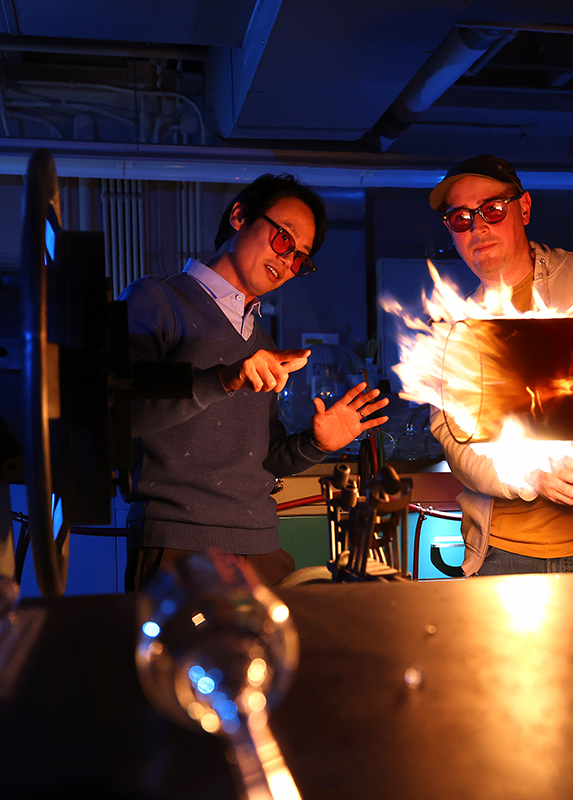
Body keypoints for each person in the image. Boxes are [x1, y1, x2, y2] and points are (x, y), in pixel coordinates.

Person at [120, 173, 388, 590]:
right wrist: (223, 380)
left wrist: (315, 444)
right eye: (284, 239)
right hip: (179, 545)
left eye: (301, 258)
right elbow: (122, 416)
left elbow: (265, 458)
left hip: (261, 546)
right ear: (240, 216)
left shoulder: (260, 338)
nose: (287, 261)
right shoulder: (157, 301)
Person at [427, 154, 573, 576]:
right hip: (506, 554)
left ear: (524, 207)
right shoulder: (455, 326)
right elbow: (456, 439)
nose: (477, 227)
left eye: (492, 210)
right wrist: (529, 476)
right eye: (460, 219)